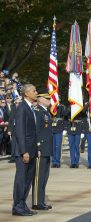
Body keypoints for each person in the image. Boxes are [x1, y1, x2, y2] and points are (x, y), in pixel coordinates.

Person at [12, 84, 38, 216]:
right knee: (21, 179)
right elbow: (20, 131)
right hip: (24, 151)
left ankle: (22, 205)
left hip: (31, 150)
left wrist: (35, 149)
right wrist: (24, 151)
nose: (36, 92)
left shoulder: (30, 108)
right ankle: (17, 206)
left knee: (28, 179)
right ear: (26, 93)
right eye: (34, 91)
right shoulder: (22, 108)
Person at [32, 90, 53, 210]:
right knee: (38, 177)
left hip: (47, 148)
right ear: (40, 99)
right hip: (41, 148)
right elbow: (36, 131)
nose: (50, 101)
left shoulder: (46, 112)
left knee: (44, 177)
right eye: (47, 99)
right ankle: (36, 202)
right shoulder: (38, 112)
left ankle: (41, 201)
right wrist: (38, 146)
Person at [51, 103, 68, 168]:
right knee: (53, 146)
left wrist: (65, 128)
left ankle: (57, 162)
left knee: (58, 146)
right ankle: (53, 161)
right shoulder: (51, 106)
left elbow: (66, 116)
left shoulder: (62, 107)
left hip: (59, 128)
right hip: (52, 128)